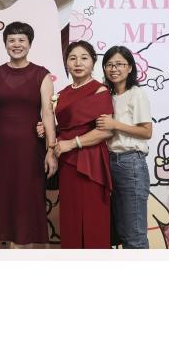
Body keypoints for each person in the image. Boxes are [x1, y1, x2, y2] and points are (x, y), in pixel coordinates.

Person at [0, 22, 57, 247]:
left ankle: (23, 252)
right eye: (11, 40)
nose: (16, 44)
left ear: (30, 44)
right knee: (0, 201)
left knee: (26, 201)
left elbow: (47, 113)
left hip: (30, 151)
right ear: (5, 44)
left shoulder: (42, 75)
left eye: (21, 40)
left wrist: (51, 150)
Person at [51, 41, 114, 249]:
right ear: (66, 63)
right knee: (70, 216)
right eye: (72, 58)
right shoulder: (62, 93)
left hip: (91, 161)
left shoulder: (99, 90)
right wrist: (48, 129)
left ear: (93, 62)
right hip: (66, 161)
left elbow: (105, 131)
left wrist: (72, 143)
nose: (78, 63)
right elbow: (66, 125)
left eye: (84, 58)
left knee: (93, 216)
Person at [96, 46, 152, 249]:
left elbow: (146, 131)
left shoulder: (136, 94)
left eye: (119, 64)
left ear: (130, 68)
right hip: (110, 162)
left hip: (131, 163)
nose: (114, 69)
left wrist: (115, 124)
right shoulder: (107, 96)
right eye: (109, 64)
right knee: (119, 231)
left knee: (134, 234)